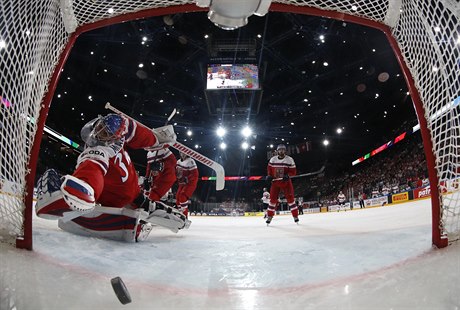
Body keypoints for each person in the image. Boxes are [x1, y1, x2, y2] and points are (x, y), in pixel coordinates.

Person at [35, 113, 189, 242]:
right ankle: (179, 220)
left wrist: (80, 192)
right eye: (101, 127)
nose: (100, 133)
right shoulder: (122, 130)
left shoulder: (99, 152)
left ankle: (177, 220)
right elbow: (135, 131)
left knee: (154, 210)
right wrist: (156, 139)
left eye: (106, 133)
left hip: (118, 199)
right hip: (133, 192)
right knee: (155, 209)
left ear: (113, 138)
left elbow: (92, 171)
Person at [265, 144, 298, 224]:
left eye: (283, 150)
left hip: (285, 182)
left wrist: (288, 175)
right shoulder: (273, 159)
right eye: (280, 150)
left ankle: (295, 216)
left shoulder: (289, 160)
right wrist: (269, 176)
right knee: (272, 200)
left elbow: (293, 172)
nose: (281, 151)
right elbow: (269, 169)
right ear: (277, 151)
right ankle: (269, 216)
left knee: (290, 199)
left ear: (285, 151)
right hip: (275, 182)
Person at [176, 152, 199, 218]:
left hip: (190, 183)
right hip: (182, 184)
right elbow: (177, 173)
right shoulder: (178, 162)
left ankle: (184, 215)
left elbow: (195, 175)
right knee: (177, 198)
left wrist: (188, 179)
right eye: (180, 152)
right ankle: (180, 213)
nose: (182, 154)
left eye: (184, 152)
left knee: (182, 197)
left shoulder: (191, 161)